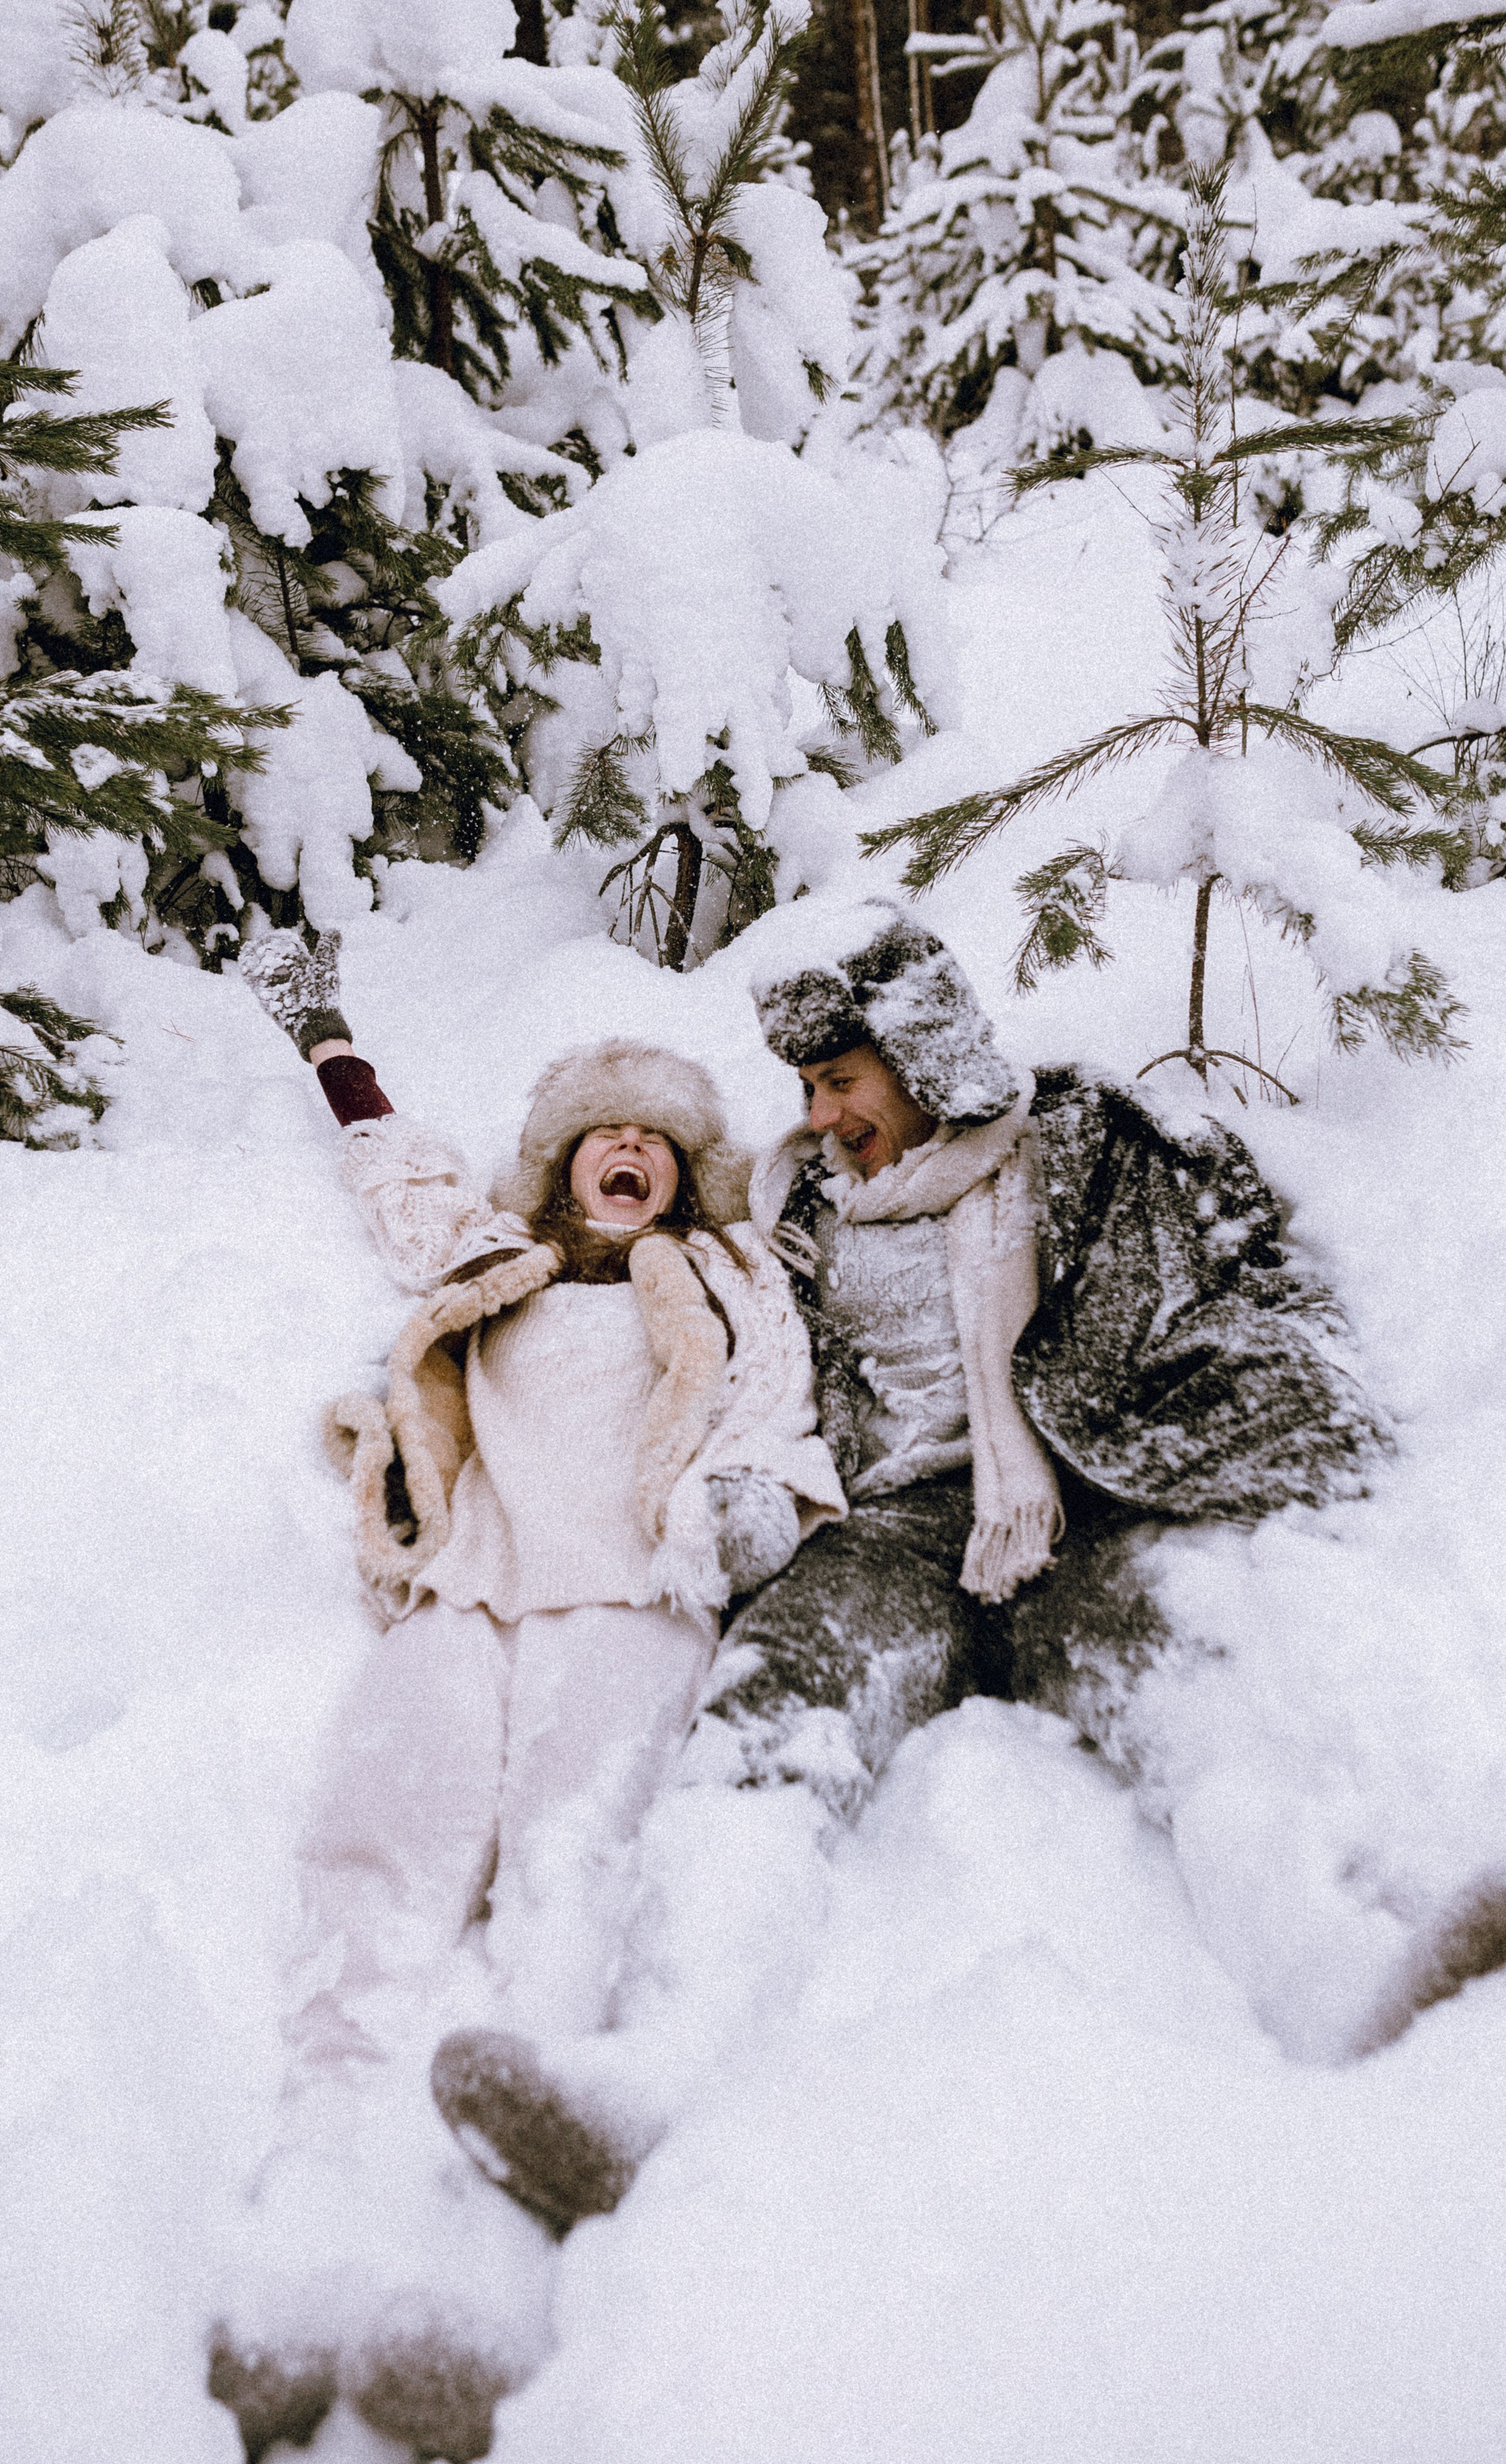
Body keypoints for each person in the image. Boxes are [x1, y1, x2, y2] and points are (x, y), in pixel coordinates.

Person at [430, 899, 1449, 2241]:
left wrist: (1219, 1421)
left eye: (840, 1077)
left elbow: (1237, 1282)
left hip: (1074, 1513)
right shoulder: (794, 1205)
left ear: (919, 1055)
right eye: (803, 1084)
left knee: (1176, 1690)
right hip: (886, 1532)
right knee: (764, 1726)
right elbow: (714, 1344)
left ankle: (1324, 1960)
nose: (823, 1109)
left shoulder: (1074, 1151)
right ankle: (654, 2068)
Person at [209, 927, 844, 2463]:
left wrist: (742, 1513)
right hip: (460, 1594)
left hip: (629, 1606)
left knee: (567, 1887)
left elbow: (770, 1409)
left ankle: (481, 2272)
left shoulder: (729, 1275)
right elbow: (396, 1167)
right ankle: (310, 2210)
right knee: (374, 1863)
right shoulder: (490, 1260)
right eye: (594, 1135)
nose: (622, 1151)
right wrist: (321, 1034)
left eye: (653, 1140)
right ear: (558, 1169)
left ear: (685, 1177)